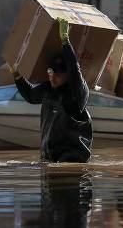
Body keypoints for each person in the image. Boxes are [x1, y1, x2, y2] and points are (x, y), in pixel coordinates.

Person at [7, 18, 93, 163]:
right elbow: (30, 95)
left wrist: (65, 41)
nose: (53, 78)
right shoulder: (49, 89)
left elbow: (74, 69)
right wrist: (17, 75)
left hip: (72, 162)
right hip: (49, 160)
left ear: (68, 75)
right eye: (50, 72)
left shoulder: (77, 94)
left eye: (58, 74)